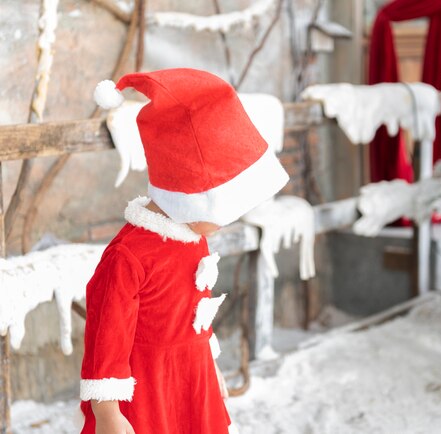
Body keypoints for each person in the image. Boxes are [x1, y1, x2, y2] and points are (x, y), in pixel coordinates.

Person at [79, 68, 289, 434]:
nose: (223, 224)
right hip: (147, 393)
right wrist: (108, 412)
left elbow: (195, 320)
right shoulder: (128, 256)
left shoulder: (193, 236)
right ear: (189, 199)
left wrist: (210, 370)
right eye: (220, 212)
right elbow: (106, 340)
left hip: (193, 384)